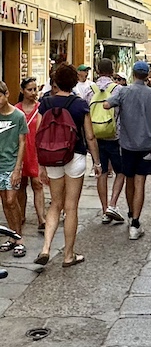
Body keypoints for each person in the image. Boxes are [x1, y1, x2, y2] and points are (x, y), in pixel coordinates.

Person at [36, 61, 101, 268]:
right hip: (75, 156)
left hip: (52, 158)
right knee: (71, 207)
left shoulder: (45, 103)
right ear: (74, 82)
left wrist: (40, 165)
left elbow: (38, 134)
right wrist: (97, 162)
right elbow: (90, 136)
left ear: (55, 82)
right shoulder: (80, 104)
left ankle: (46, 248)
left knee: (55, 203)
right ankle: (68, 255)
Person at [104, 60, 151, 240]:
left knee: (129, 179)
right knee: (140, 183)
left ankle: (130, 215)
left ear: (133, 74)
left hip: (127, 144)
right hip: (146, 144)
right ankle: (135, 222)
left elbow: (106, 105)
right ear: (147, 75)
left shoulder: (124, 91)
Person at [89, 58, 126, 225]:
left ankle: (104, 210)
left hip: (95, 136)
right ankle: (113, 204)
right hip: (115, 135)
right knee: (121, 171)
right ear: (112, 71)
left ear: (97, 70)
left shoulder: (90, 89)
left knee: (101, 172)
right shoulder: (118, 89)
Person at [0, 82, 28, 257]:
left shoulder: (18, 116)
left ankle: (19, 237)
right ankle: (11, 235)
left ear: (7, 94)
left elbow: (22, 142)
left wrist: (18, 169)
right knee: (4, 201)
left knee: (11, 200)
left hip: (12, 164)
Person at [15, 77, 46, 230]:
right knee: (21, 185)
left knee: (37, 183)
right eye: (29, 89)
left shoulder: (41, 108)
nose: (33, 93)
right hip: (20, 152)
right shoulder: (15, 109)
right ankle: (20, 215)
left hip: (35, 151)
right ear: (22, 91)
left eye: (35, 89)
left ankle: (41, 218)